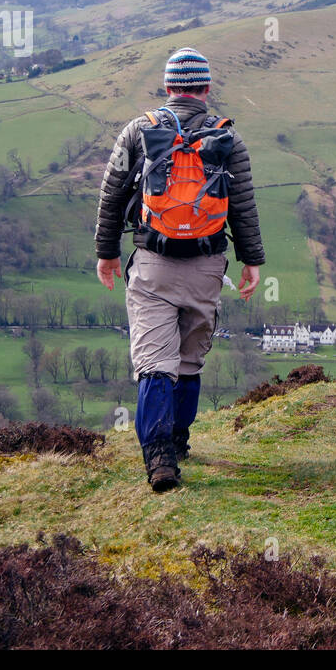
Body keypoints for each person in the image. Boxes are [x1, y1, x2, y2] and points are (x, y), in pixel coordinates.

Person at [93, 47, 263, 491]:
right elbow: (242, 206)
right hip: (207, 264)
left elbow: (111, 196)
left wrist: (107, 253)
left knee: (154, 363)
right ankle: (180, 439)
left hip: (152, 264)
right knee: (188, 362)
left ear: (169, 87)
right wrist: (252, 262)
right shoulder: (228, 138)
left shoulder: (139, 130)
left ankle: (160, 459)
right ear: (206, 89)